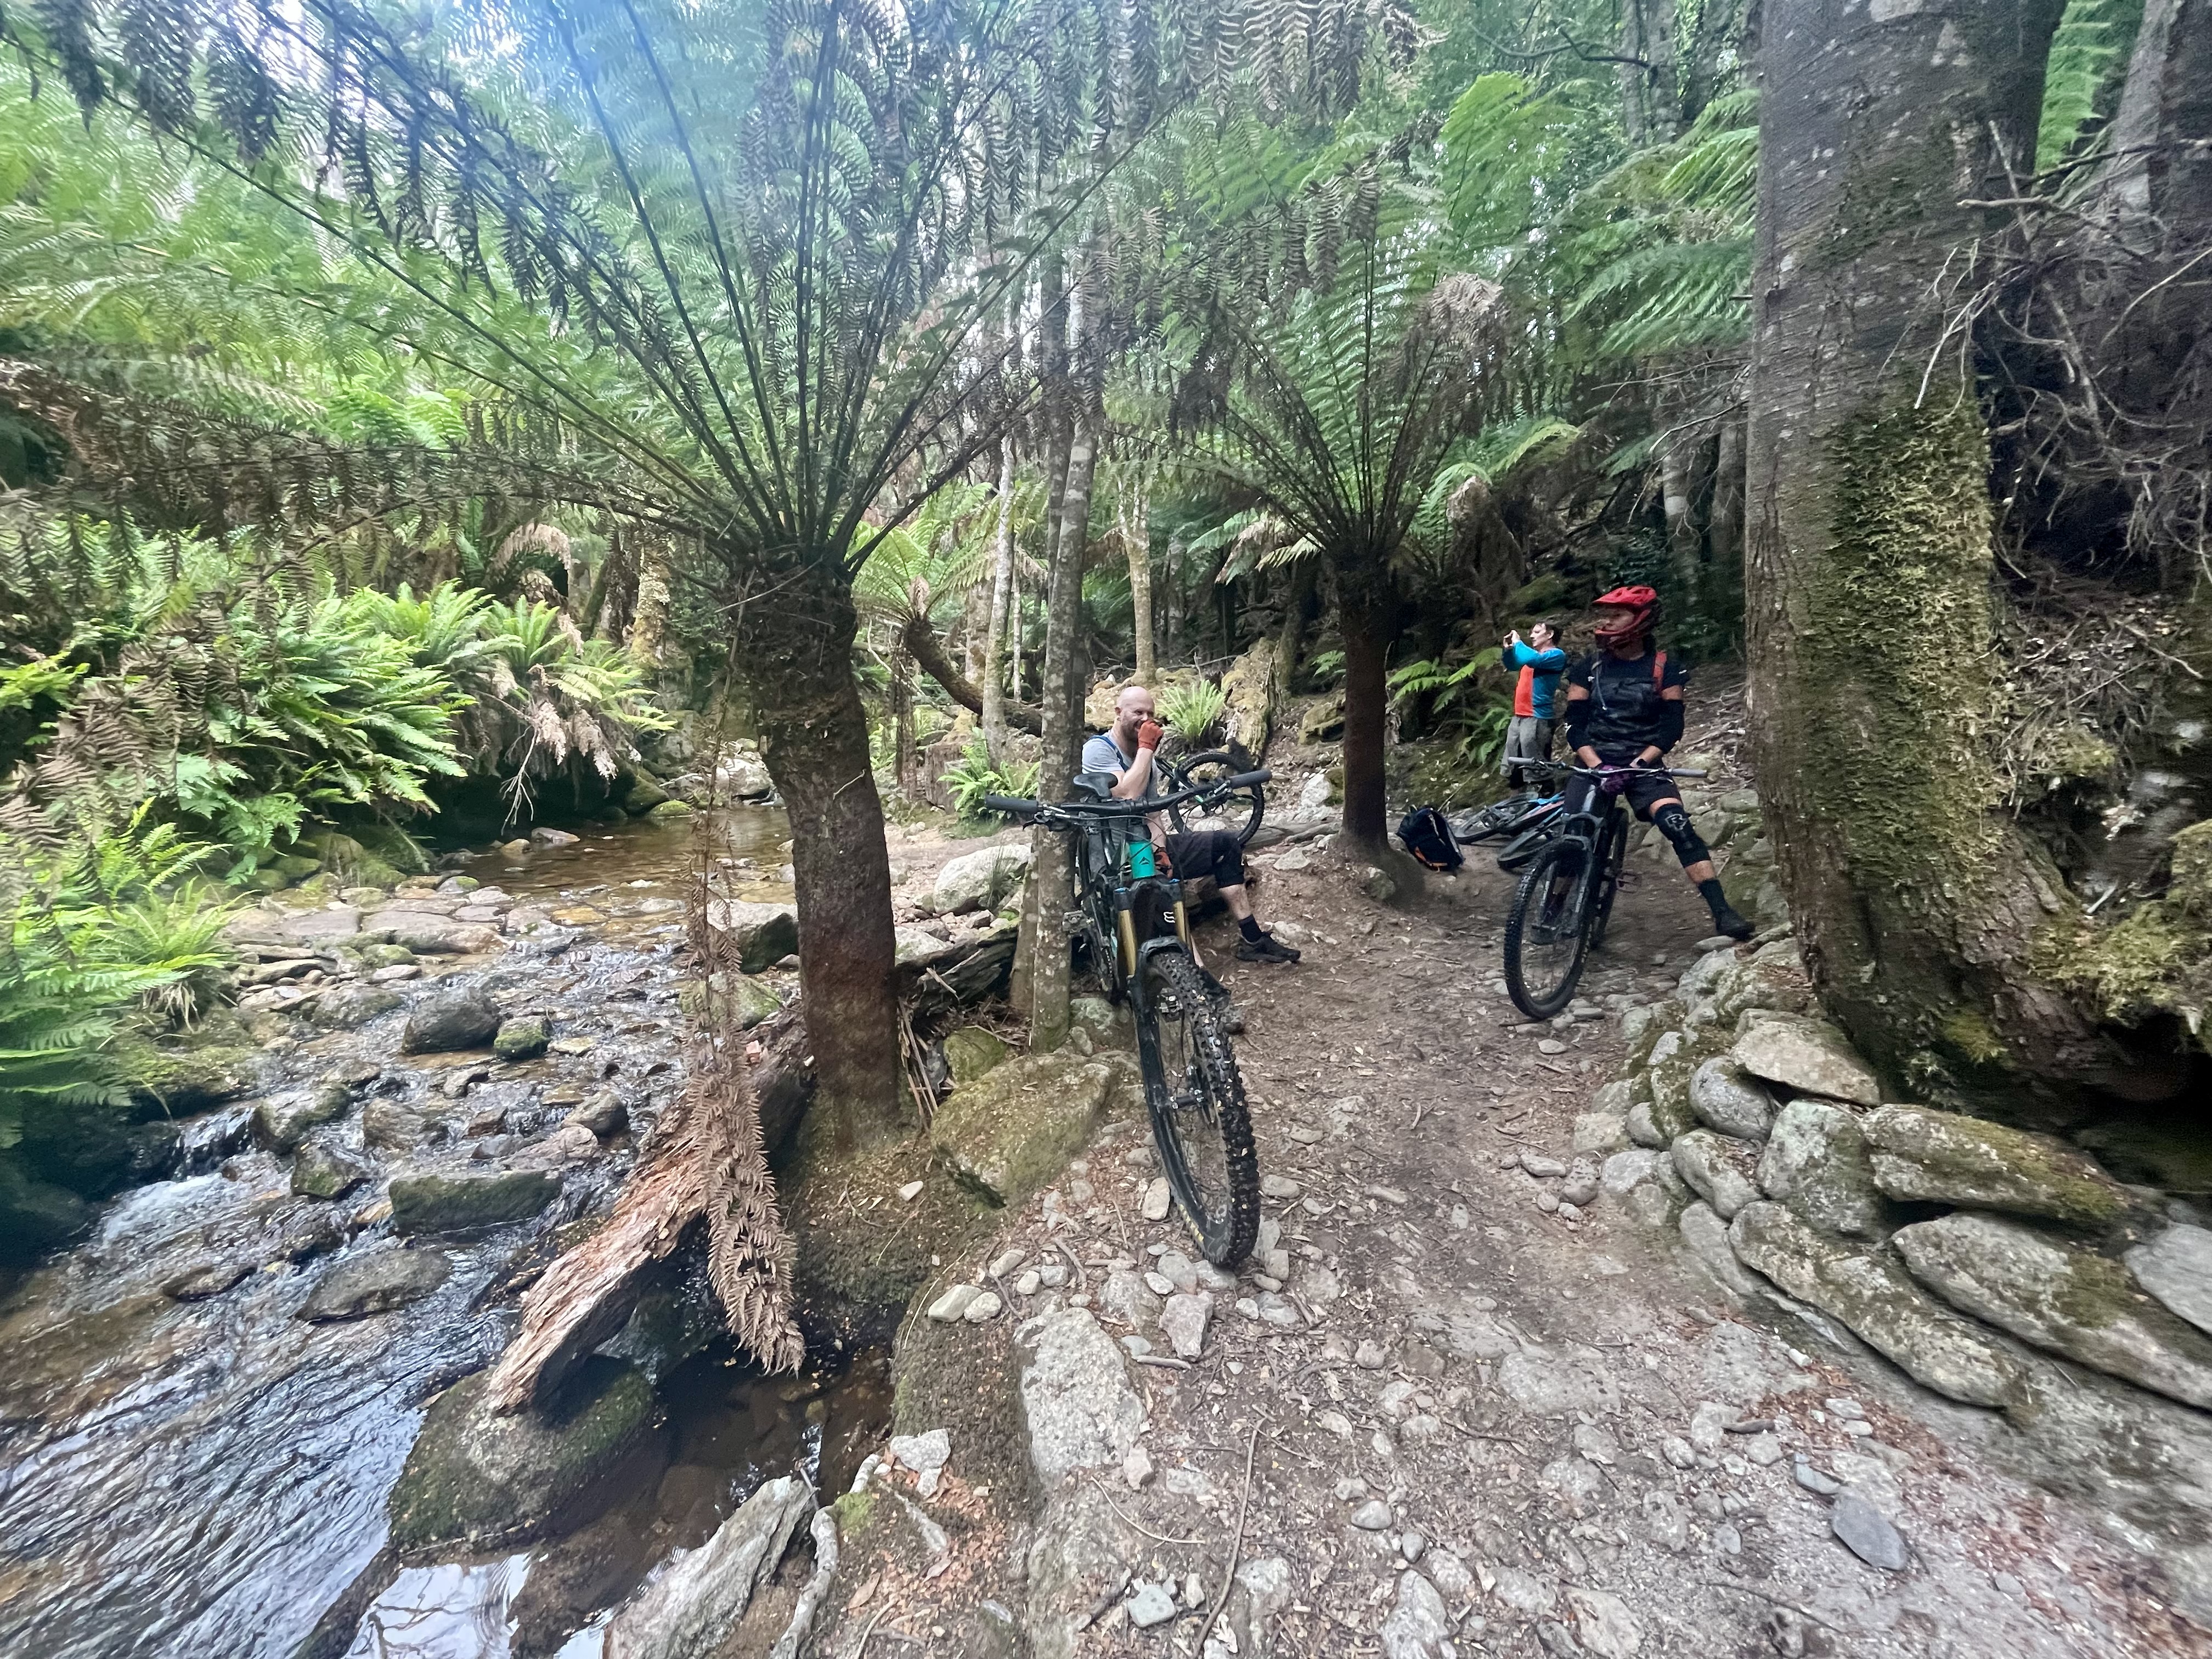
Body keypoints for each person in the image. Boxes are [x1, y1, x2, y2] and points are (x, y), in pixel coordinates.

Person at [1560, 585, 1754, 941]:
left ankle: (1722, 912)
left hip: (1644, 765)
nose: (1607, 622)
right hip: (1594, 763)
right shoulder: (1587, 668)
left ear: (1640, 621)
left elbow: (1671, 727)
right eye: (1606, 615)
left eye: (1616, 615)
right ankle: (1554, 904)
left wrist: (1637, 764)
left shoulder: (1666, 668)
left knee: (1677, 824)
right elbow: (1574, 724)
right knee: (1575, 832)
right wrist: (1599, 766)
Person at [1081, 685, 1301, 964]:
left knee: (1225, 844)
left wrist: (1162, 853)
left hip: (1144, 846)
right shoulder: (1099, 749)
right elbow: (1127, 794)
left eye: (1150, 713)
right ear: (1118, 713)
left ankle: (1253, 940)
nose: (1146, 719)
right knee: (1160, 885)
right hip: (1114, 856)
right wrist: (1147, 748)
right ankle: (1196, 974)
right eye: (1138, 712)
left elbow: (1153, 813)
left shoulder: (1146, 760)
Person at [1500, 620, 1566, 784]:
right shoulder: (1531, 656)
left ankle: (1544, 795)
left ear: (1550, 635)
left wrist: (1518, 642)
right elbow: (1512, 665)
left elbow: (1534, 660)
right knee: (1513, 765)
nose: (1531, 636)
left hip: (1537, 717)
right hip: (1519, 716)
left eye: (1537, 632)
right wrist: (1508, 650)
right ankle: (1517, 796)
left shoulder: (1556, 655)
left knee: (1537, 765)